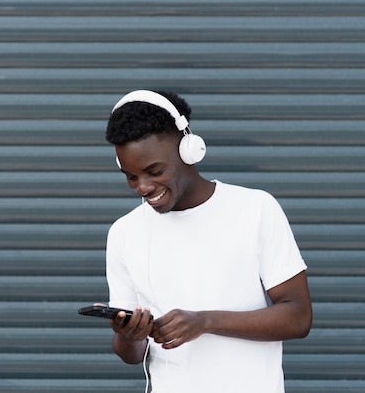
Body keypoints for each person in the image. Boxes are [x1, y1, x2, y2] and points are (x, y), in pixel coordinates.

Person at [104, 89, 312, 393]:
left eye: (154, 171)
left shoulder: (255, 209)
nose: (143, 187)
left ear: (189, 149)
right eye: (131, 176)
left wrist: (206, 321)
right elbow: (131, 356)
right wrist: (130, 335)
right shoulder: (124, 233)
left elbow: (298, 317)